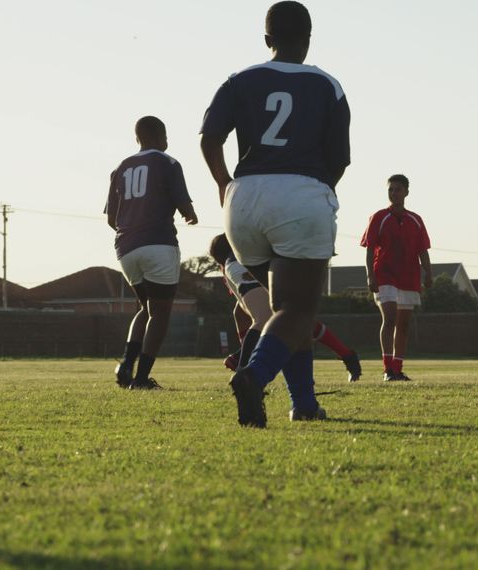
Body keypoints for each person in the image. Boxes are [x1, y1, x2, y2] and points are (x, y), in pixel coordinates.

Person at [200, 1, 350, 427]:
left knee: (283, 312)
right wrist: (318, 191)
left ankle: (303, 404)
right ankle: (255, 376)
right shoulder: (327, 85)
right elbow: (338, 158)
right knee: (297, 309)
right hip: (300, 192)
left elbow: (210, 139)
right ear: (308, 38)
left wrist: (223, 184)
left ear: (267, 39)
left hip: (244, 198)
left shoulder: (238, 80)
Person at [107, 116, 198, 390]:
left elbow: (112, 218)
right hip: (158, 242)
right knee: (160, 312)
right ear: (161, 137)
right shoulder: (167, 162)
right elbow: (183, 204)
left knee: (146, 308)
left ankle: (126, 364)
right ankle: (142, 378)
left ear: (137, 139)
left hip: (125, 247)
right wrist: (190, 214)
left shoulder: (121, 168)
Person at [209, 234, 362, 382]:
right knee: (291, 316)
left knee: (289, 316)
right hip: (254, 258)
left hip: (244, 260)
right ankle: (245, 370)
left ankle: (245, 365)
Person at [361, 174, 432, 381]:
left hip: (409, 276)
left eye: (398, 189)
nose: (394, 193)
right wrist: (370, 275)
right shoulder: (378, 217)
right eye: (391, 189)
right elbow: (370, 248)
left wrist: (428, 273)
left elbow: (423, 250)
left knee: (404, 324)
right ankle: (387, 369)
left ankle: (398, 368)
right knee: (390, 317)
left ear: (406, 192)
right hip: (385, 275)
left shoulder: (415, 220)